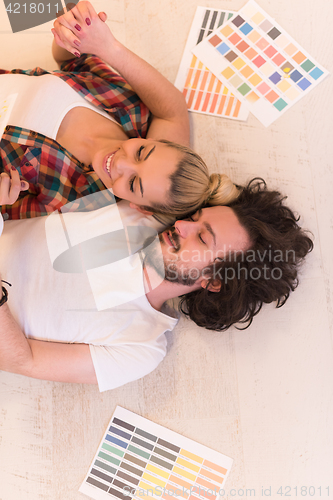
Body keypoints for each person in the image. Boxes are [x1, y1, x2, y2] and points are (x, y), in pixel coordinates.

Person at [0, 179, 313, 391]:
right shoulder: (140, 212)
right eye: (195, 217)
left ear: (214, 281)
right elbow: (170, 118)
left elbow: (22, 360)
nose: (182, 225)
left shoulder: (142, 346)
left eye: (202, 237)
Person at [0, 1, 239, 222]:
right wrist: (77, 33)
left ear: (140, 207)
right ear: (154, 140)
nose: (121, 163)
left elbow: (8, 216)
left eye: (134, 183)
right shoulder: (126, 105)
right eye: (142, 151)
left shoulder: (74, 201)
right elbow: (67, 60)